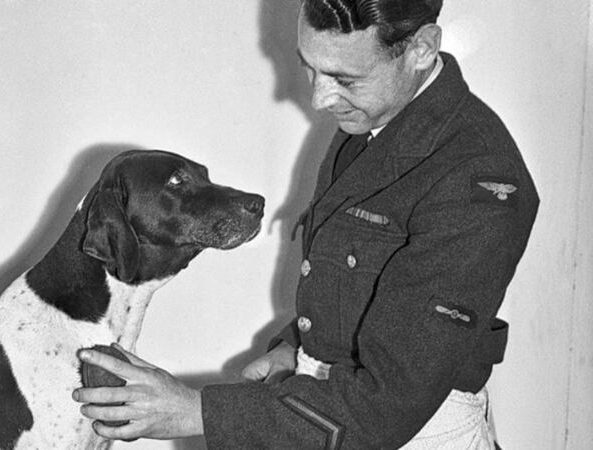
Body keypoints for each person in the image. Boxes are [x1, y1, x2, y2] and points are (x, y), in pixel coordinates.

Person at [73, 0, 539, 448]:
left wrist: (195, 411)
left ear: (421, 49)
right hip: (332, 415)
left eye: (345, 79)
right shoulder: (378, 123)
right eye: (310, 68)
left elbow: (387, 403)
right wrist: (296, 349)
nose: (319, 98)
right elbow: (366, 284)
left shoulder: (477, 179)